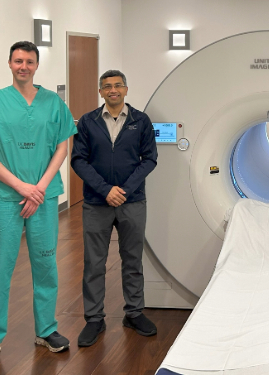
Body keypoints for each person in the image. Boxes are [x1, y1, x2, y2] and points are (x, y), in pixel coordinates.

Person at [0, 41, 76, 368]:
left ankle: (46, 329)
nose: (24, 66)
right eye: (18, 60)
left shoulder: (53, 103)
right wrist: (21, 186)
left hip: (44, 197)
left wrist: (39, 188)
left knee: (46, 265)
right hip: (3, 198)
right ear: (9, 63)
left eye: (30, 61)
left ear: (37, 65)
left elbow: (62, 149)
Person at [71, 70, 158, 347]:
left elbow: (149, 159)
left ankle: (133, 313)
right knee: (94, 263)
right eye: (107, 86)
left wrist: (124, 190)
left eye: (118, 85)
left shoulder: (140, 121)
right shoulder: (87, 122)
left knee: (132, 260)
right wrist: (105, 189)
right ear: (100, 92)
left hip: (132, 201)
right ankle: (94, 319)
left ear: (126, 89)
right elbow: (79, 160)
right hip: (97, 203)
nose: (113, 90)